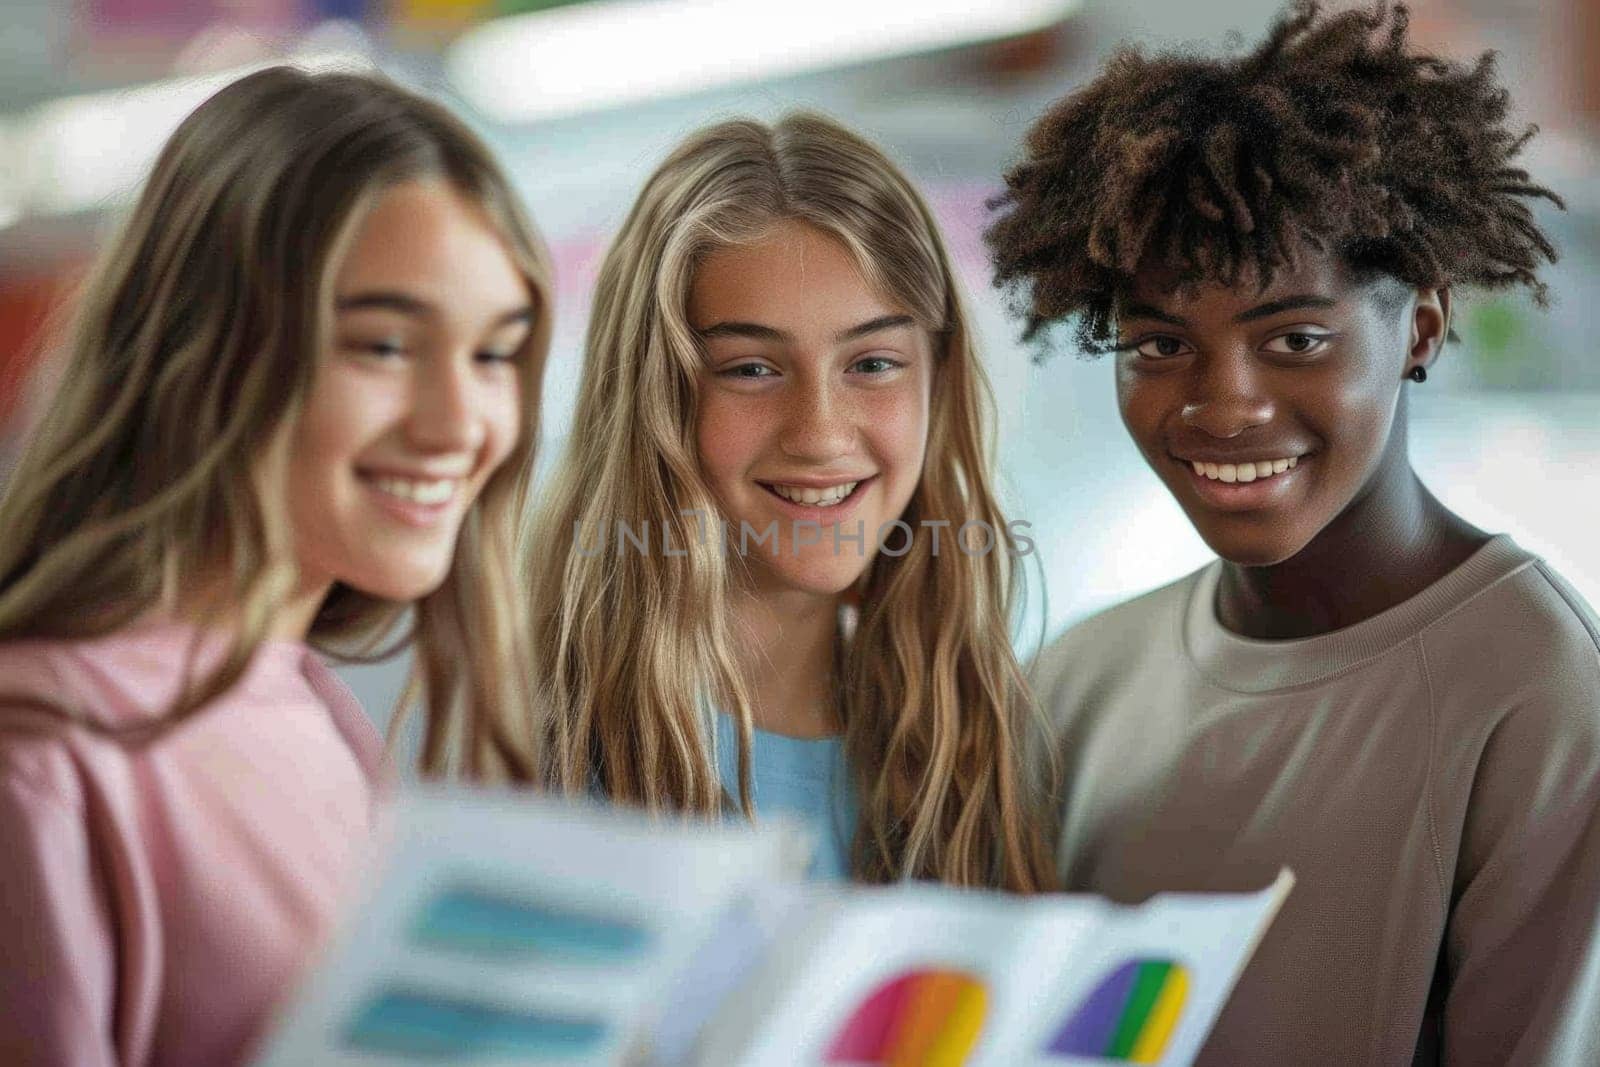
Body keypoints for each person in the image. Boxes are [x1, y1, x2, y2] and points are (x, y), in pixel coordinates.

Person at [987, 2, 1599, 1062]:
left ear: (1419, 325)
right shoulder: (1071, 680)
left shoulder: (1538, 695)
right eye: (1160, 344)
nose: (1224, 405)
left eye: (1296, 338)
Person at [0, 65, 554, 1065]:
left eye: (493, 354)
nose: (458, 425)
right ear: (206, 349)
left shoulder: (299, 697)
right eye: (385, 345)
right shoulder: (42, 746)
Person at [526, 113, 1055, 889]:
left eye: (872, 362)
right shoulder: (533, 749)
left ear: (935, 385)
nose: (819, 432)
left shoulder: (974, 744)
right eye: (750, 369)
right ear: (651, 400)